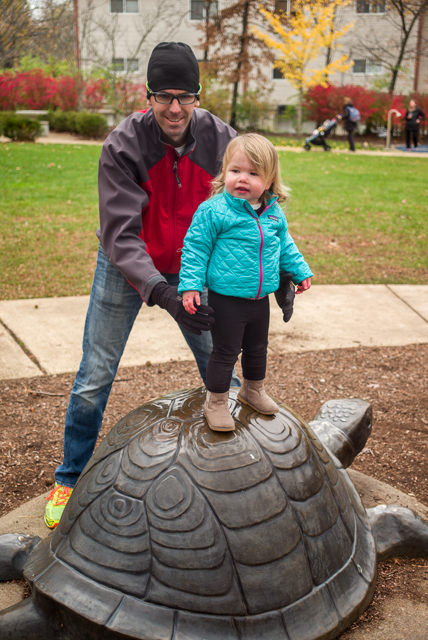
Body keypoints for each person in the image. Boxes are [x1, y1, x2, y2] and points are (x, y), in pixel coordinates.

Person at [44, 42, 240, 528]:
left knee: (223, 368)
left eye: (185, 96)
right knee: (95, 374)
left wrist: (276, 269)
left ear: (198, 96)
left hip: (194, 266)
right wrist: (161, 291)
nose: (175, 108)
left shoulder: (224, 143)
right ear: (147, 95)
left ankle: (239, 472)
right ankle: (69, 476)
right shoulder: (123, 144)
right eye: (164, 96)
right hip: (124, 263)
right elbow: (121, 234)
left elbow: (251, 210)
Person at [178, 134, 313, 432]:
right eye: (235, 170)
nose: (242, 178)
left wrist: (300, 271)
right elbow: (195, 249)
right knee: (225, 351)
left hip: (260, 299)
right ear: (224, 172)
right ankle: (216, 402)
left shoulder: (273, 213)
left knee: (258, 347)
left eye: (253, 173)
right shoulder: (213, 211)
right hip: (226, 298)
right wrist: (190, 285)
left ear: (269, 180)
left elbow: (285, 245)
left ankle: (253, 390)